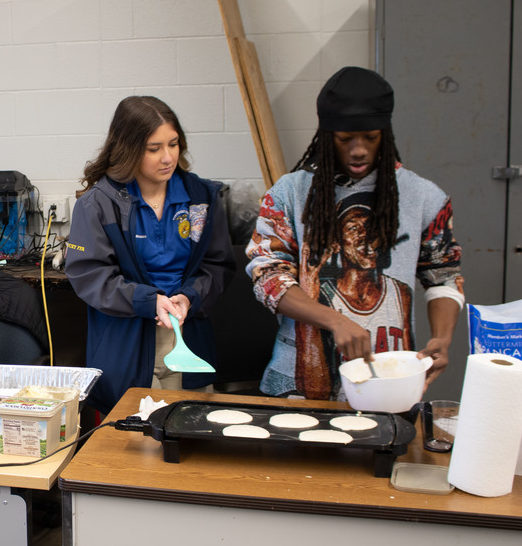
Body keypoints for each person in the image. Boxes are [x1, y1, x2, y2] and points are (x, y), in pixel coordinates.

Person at [246, 66, 465, 400]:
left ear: (385, 135)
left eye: (371, 137)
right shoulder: (289, 193)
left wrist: (443, 339)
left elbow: (445, 276)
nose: (359, 149)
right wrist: (333, 320)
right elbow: (268, 277)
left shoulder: (424, 197)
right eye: (345, 139)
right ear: (326, 134)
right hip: (300, 387)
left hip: (391, 382)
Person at [65, 96, 235, 415]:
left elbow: (218, 264)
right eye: (154, 148)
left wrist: (189, 297)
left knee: (188, 429)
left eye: (173, 144)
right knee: (139, 440)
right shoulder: (99, 204)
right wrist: (146, 301)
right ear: (128, 149)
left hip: (189, 335)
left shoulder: (201, 197)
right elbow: (90, 275)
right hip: (128, 344)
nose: (167, 157)